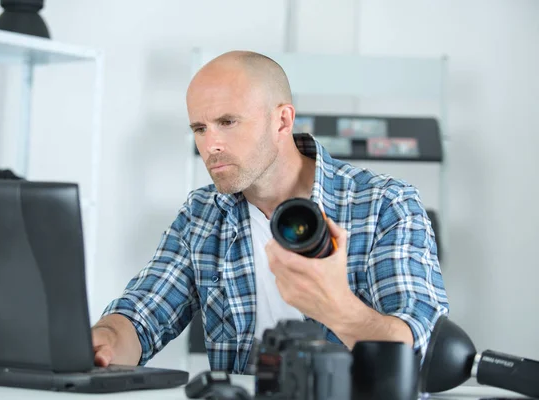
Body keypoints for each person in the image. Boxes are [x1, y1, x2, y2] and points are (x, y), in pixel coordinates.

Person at [91, 50, 450, 374]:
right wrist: (103, 340)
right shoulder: (201, 215)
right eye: (200, 128)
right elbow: (142, 316)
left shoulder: (385, 204)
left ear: (282, 121)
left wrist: (337, 307)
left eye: (228, 122)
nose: (210, 144)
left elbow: (425, 348)